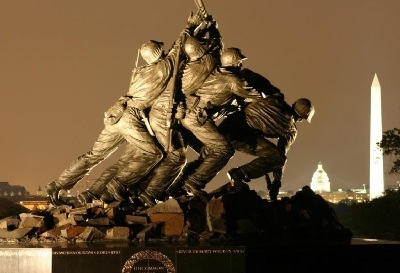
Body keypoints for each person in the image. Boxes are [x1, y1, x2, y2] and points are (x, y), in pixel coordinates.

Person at [44, 34, 191, 206]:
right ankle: (119, 185)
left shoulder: (141, 72)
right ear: (159, 53)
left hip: (116, 113)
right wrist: (190, 27)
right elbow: (177, 50)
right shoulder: (162, 69)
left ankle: (58, 184)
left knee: (94, 155)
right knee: (154, 153)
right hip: (130, 118)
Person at [137, 15, 223, 207]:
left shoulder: (152, 69)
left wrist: (196, 31)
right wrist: (210, 29)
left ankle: (161, 189)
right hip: (164, 114)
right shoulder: (189, 66)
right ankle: (150, 193)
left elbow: (181, 50)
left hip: (160, 113)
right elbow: (212, 49)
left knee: (175, 153)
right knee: (175, 156)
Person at [177, 47, 262, 198]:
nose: (241, 66)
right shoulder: (233, 80)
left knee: (207, 151)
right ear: (234, 63)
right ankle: (194, 182)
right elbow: (256, 96)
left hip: (190, 115)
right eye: (239, 62)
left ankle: (180, 183)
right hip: (198, 118)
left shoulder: (216, 73)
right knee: (224, 150)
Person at [223, 95, 315, 201]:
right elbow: (281, 155)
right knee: (278, 158)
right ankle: (238, 174)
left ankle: (237, 175)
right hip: (242, 136)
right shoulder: (291, 130)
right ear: (301, 118)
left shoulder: (274, 99)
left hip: (230, 125)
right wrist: (277, 181)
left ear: (293, 104)